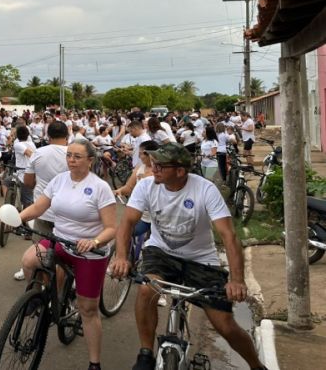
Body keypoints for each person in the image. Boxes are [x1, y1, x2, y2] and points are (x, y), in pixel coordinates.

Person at [110, 143, 268, 370]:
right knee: (146, 290)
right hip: (160, 253)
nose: (154, 169)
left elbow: (229, 236)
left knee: (225, 325)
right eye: (154, 164)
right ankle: (145, 353)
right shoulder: (145, 186)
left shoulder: (205, 189)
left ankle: (256, 365)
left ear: (180, 171)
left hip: (201, 260)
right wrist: (121, 257)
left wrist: (237, 280)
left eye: (160, 166)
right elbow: (126, 223)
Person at [19, 141, 117, 370]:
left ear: (90, 160)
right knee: (28, 260)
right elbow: (38, 208)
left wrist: (94, 241)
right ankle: (41, 299)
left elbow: (111, 228)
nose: (71, 160)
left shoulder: (100, 187)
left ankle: (94, 363)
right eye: (69, 155)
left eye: (77, 156)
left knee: (88, 310)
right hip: (60, 241)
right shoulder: (59, 180)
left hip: (89, 253)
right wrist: (17, 217)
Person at [15, 120, 69, 281]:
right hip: (68, 214)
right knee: (66, 252)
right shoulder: (74, 155)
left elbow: (28, 182)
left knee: (39, 249)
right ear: (67, 136)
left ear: (48, 135)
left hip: (42, 211)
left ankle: (38, 284)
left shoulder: (38, 153)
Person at [12, 125, 36, 205]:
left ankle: (10, 204)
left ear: (17, 135)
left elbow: (30, 154)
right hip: (30, 172)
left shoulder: (18, 145)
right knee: (7, 181)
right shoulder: (32, 144)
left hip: (23, 174)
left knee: (27, 200)